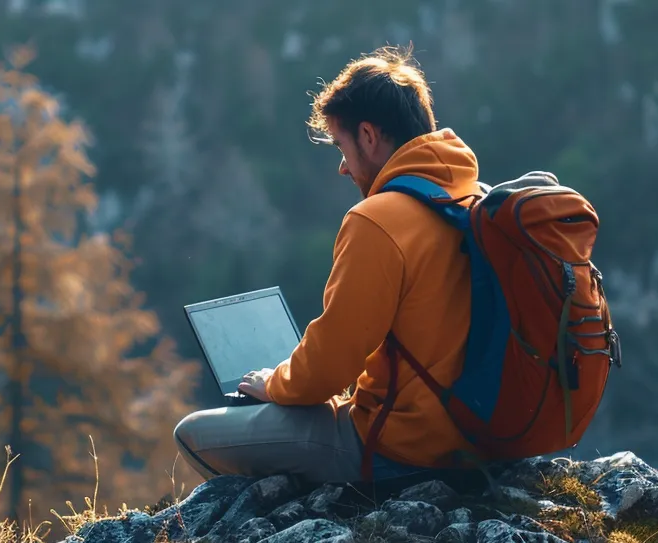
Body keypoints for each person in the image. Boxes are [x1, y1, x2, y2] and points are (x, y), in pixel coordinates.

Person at [172, 45, 480, 487]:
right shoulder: (470, 200)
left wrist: (274, 384)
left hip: (405, 449)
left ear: (369, 137)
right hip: (481, 435)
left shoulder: (378, 219)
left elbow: (327, 370)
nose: (342, 167)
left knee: (193, 433)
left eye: (341, 145)